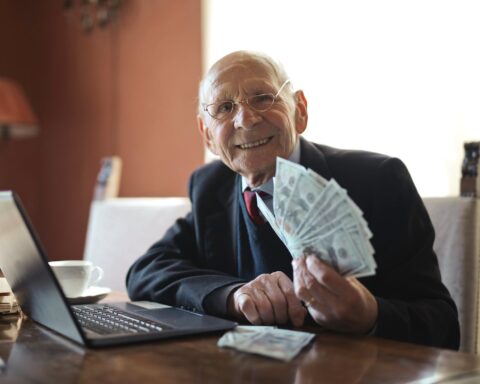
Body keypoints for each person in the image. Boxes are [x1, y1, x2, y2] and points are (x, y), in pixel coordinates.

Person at [126, 51, 460, 349]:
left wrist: (369, 314)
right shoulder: (211, 186)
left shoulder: (379, 180)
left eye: (262, 98)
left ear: (299, 110)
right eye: (225, 108)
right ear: (206, 135)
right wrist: (233, 295)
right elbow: (146, 270)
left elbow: (443, 325)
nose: (246, 119)